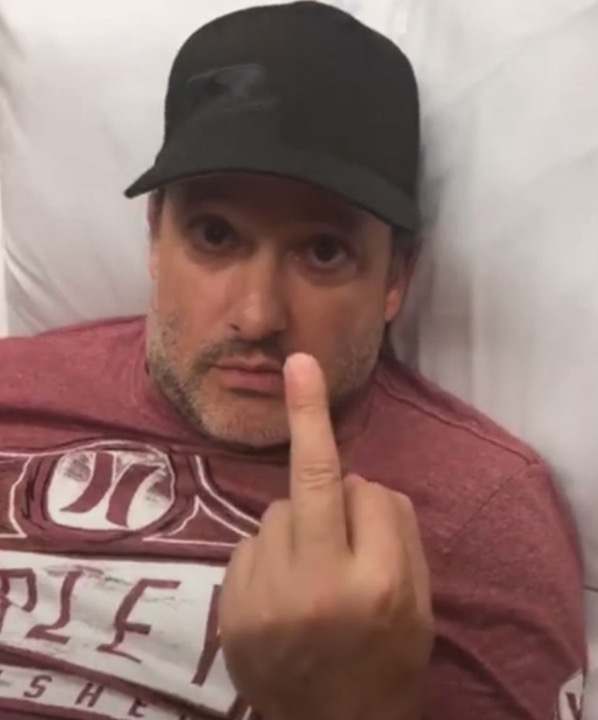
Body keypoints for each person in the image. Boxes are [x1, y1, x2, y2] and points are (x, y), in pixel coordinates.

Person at [0, 2, 586, 720]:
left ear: (395, 277)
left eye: (323, 251)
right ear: (155, 238)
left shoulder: (479, 515)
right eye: (216, 235)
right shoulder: (14, 387)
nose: (257, 315)